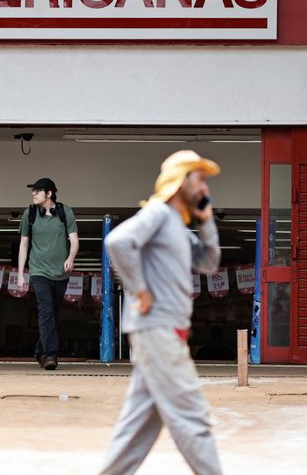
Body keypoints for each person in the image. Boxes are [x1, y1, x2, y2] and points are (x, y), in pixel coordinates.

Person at [99, 150, 223, 475]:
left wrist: (206, 220)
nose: (204, 186)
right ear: (180, 179)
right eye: (198, 177)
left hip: (165, 331)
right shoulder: (157, 213)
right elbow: (117, 241)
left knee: (137, 428)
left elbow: (210, 263)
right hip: (158, 328)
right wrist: (140, 290)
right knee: (192, 415)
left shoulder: (178, 229)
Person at [17, 178, 79, 371]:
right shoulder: (30, 214)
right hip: (39, 271)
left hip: (61, 273)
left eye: (38, 191)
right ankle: (50, 355)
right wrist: (21, 274)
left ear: (49, 194)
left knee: (54, 314)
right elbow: (24, 244)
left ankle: (39, 350)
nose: (33, 194)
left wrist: (71, 257)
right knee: (46, 311)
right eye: (33, 191)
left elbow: (75, 240)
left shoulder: (65, 212)